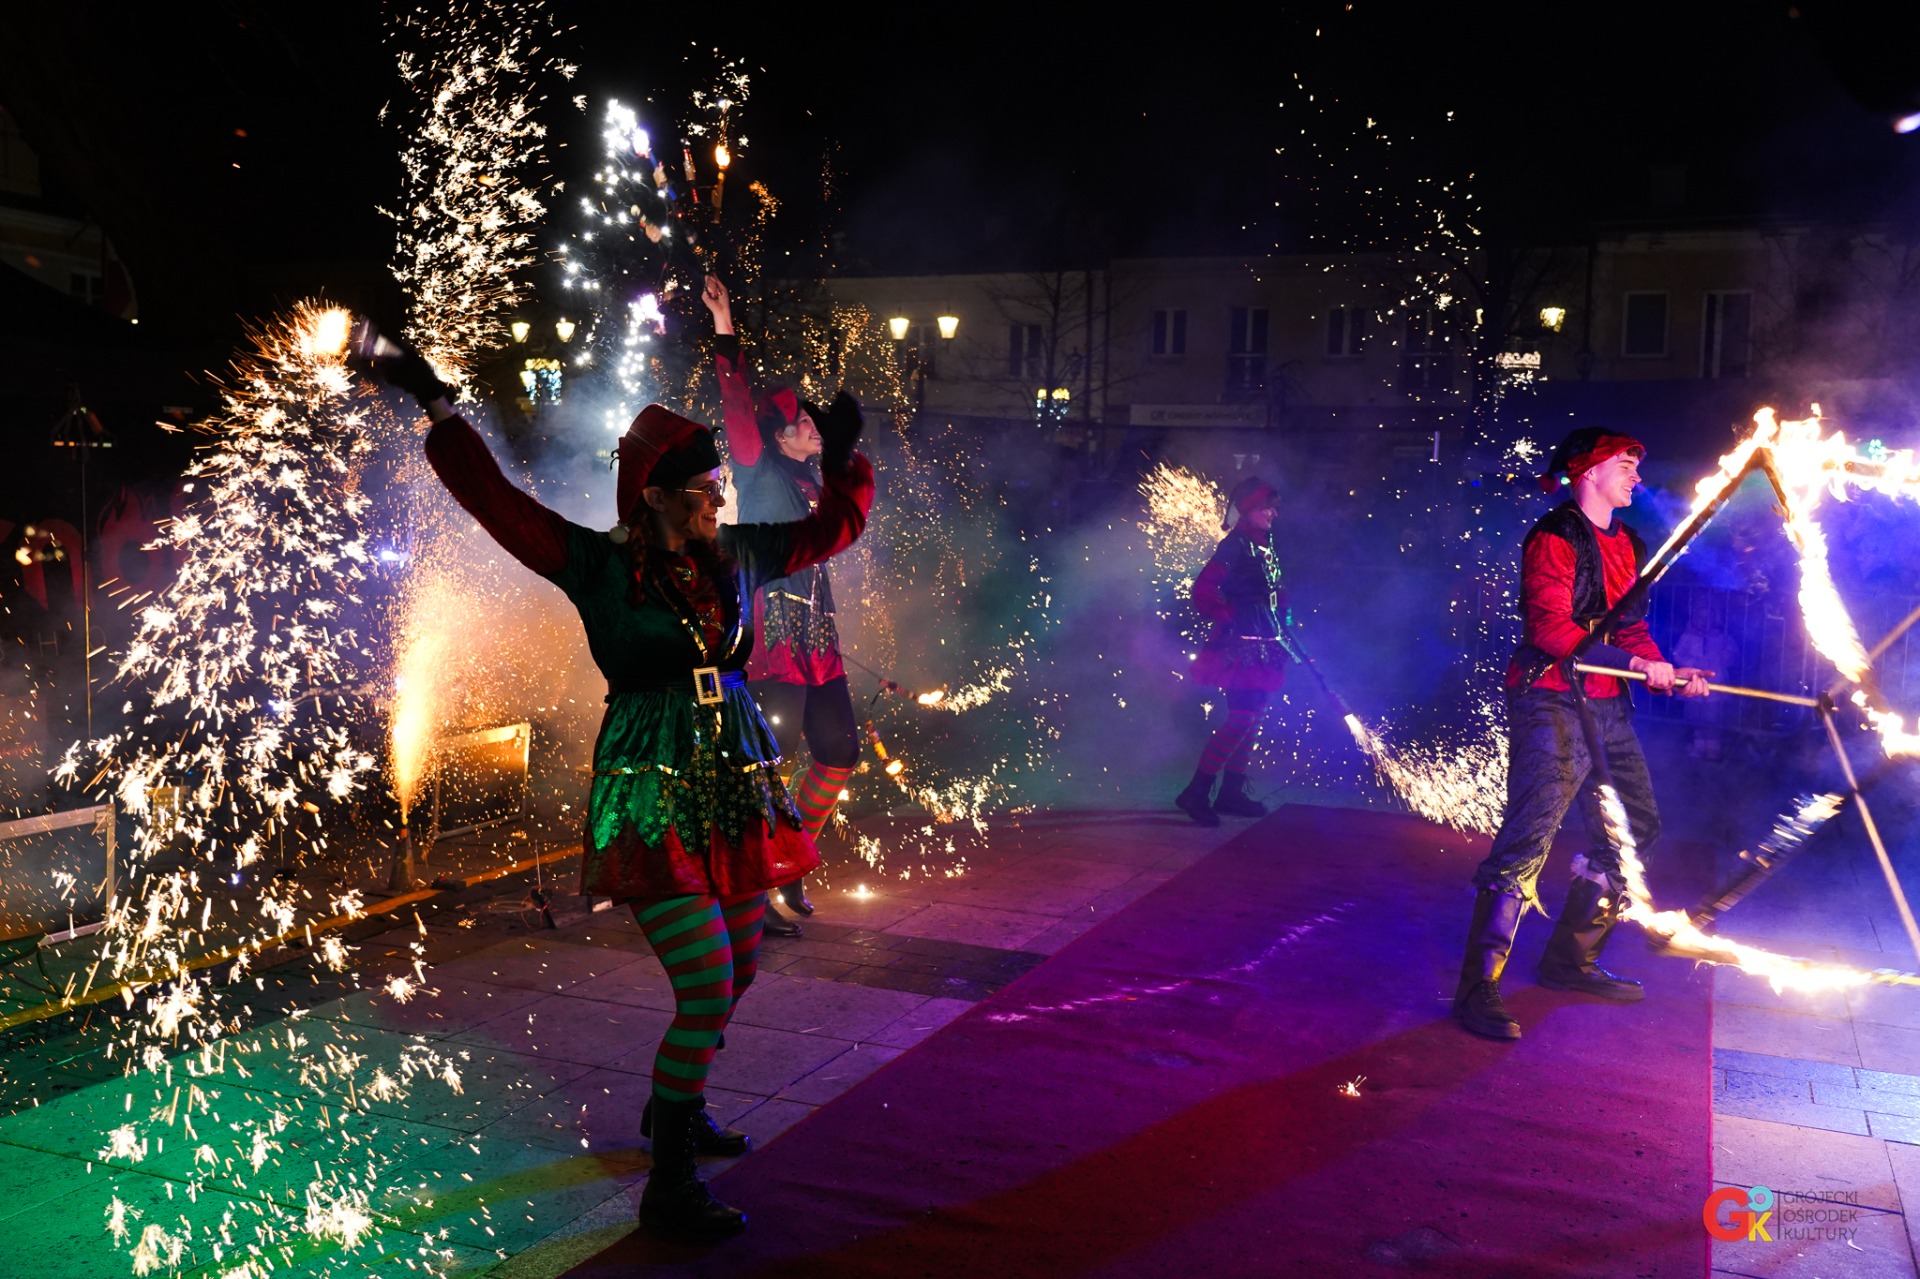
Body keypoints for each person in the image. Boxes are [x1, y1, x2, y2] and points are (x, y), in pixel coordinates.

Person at [367, 334, 873, 1243]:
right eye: (703, 489)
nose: (718, 499)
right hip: (652, 786)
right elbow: (496, 502)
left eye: (718, 486)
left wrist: (840, 462)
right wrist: (437, 403)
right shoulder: (599, 564)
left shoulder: (738, 553)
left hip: (735, 778)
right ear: (655, 496)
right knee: (706, 986)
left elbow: (834, 529)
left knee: (741, 966)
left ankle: (678, 1101)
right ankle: (669, 1187)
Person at [1454, 428, 1710, 1041]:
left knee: (1634, 827)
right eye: (1625, 465)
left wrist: (1664, 671)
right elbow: (1551, 630)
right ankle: (1478, 988)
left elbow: (1630, 630)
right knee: (1530, 836)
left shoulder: (1630, 542)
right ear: (1590, 471)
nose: (1637, 477)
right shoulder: (1555, 535)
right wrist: (1635, 664)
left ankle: (1569, 960)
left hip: (1607, 703)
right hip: (1550, 698)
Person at [703, 275, 865, 935]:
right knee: (770, 763)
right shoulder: (758, 468)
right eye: (802, 422)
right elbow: (737, 406)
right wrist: (725, 325)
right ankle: (751, 886)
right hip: (772, 639)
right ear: (776, 438)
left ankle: (789, 862)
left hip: (816, 639)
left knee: (840, 750)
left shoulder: (813, 480)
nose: (812, 427)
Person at [1175, 476, 1290, 826]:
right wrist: (1229, 615)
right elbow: (1204, 589)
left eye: (1274, 507)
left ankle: (1231, 792)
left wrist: (1282, 622)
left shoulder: (1264, 543)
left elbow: (1275, 591)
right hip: (1241, 647)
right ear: (1249, 509)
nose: (1273, 513)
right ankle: (1196, 792)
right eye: (1267, 507)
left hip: (1265, 641)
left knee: (1253, 720)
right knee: (1241, 719)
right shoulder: (1235, 545)